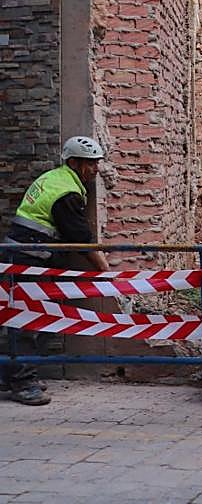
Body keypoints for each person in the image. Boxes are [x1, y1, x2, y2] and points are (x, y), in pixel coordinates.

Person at [1, 136, 110, 406]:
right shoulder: (66, 193)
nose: (95, 169)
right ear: (73, 162)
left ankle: (11, 373)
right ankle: (22, 382)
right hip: (28, 259)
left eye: (97, 163)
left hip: (26, 256)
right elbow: (80, 239)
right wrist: (105, 269)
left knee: (40, 318)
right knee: (29, 320)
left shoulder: (55, 178)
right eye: (90, 163)